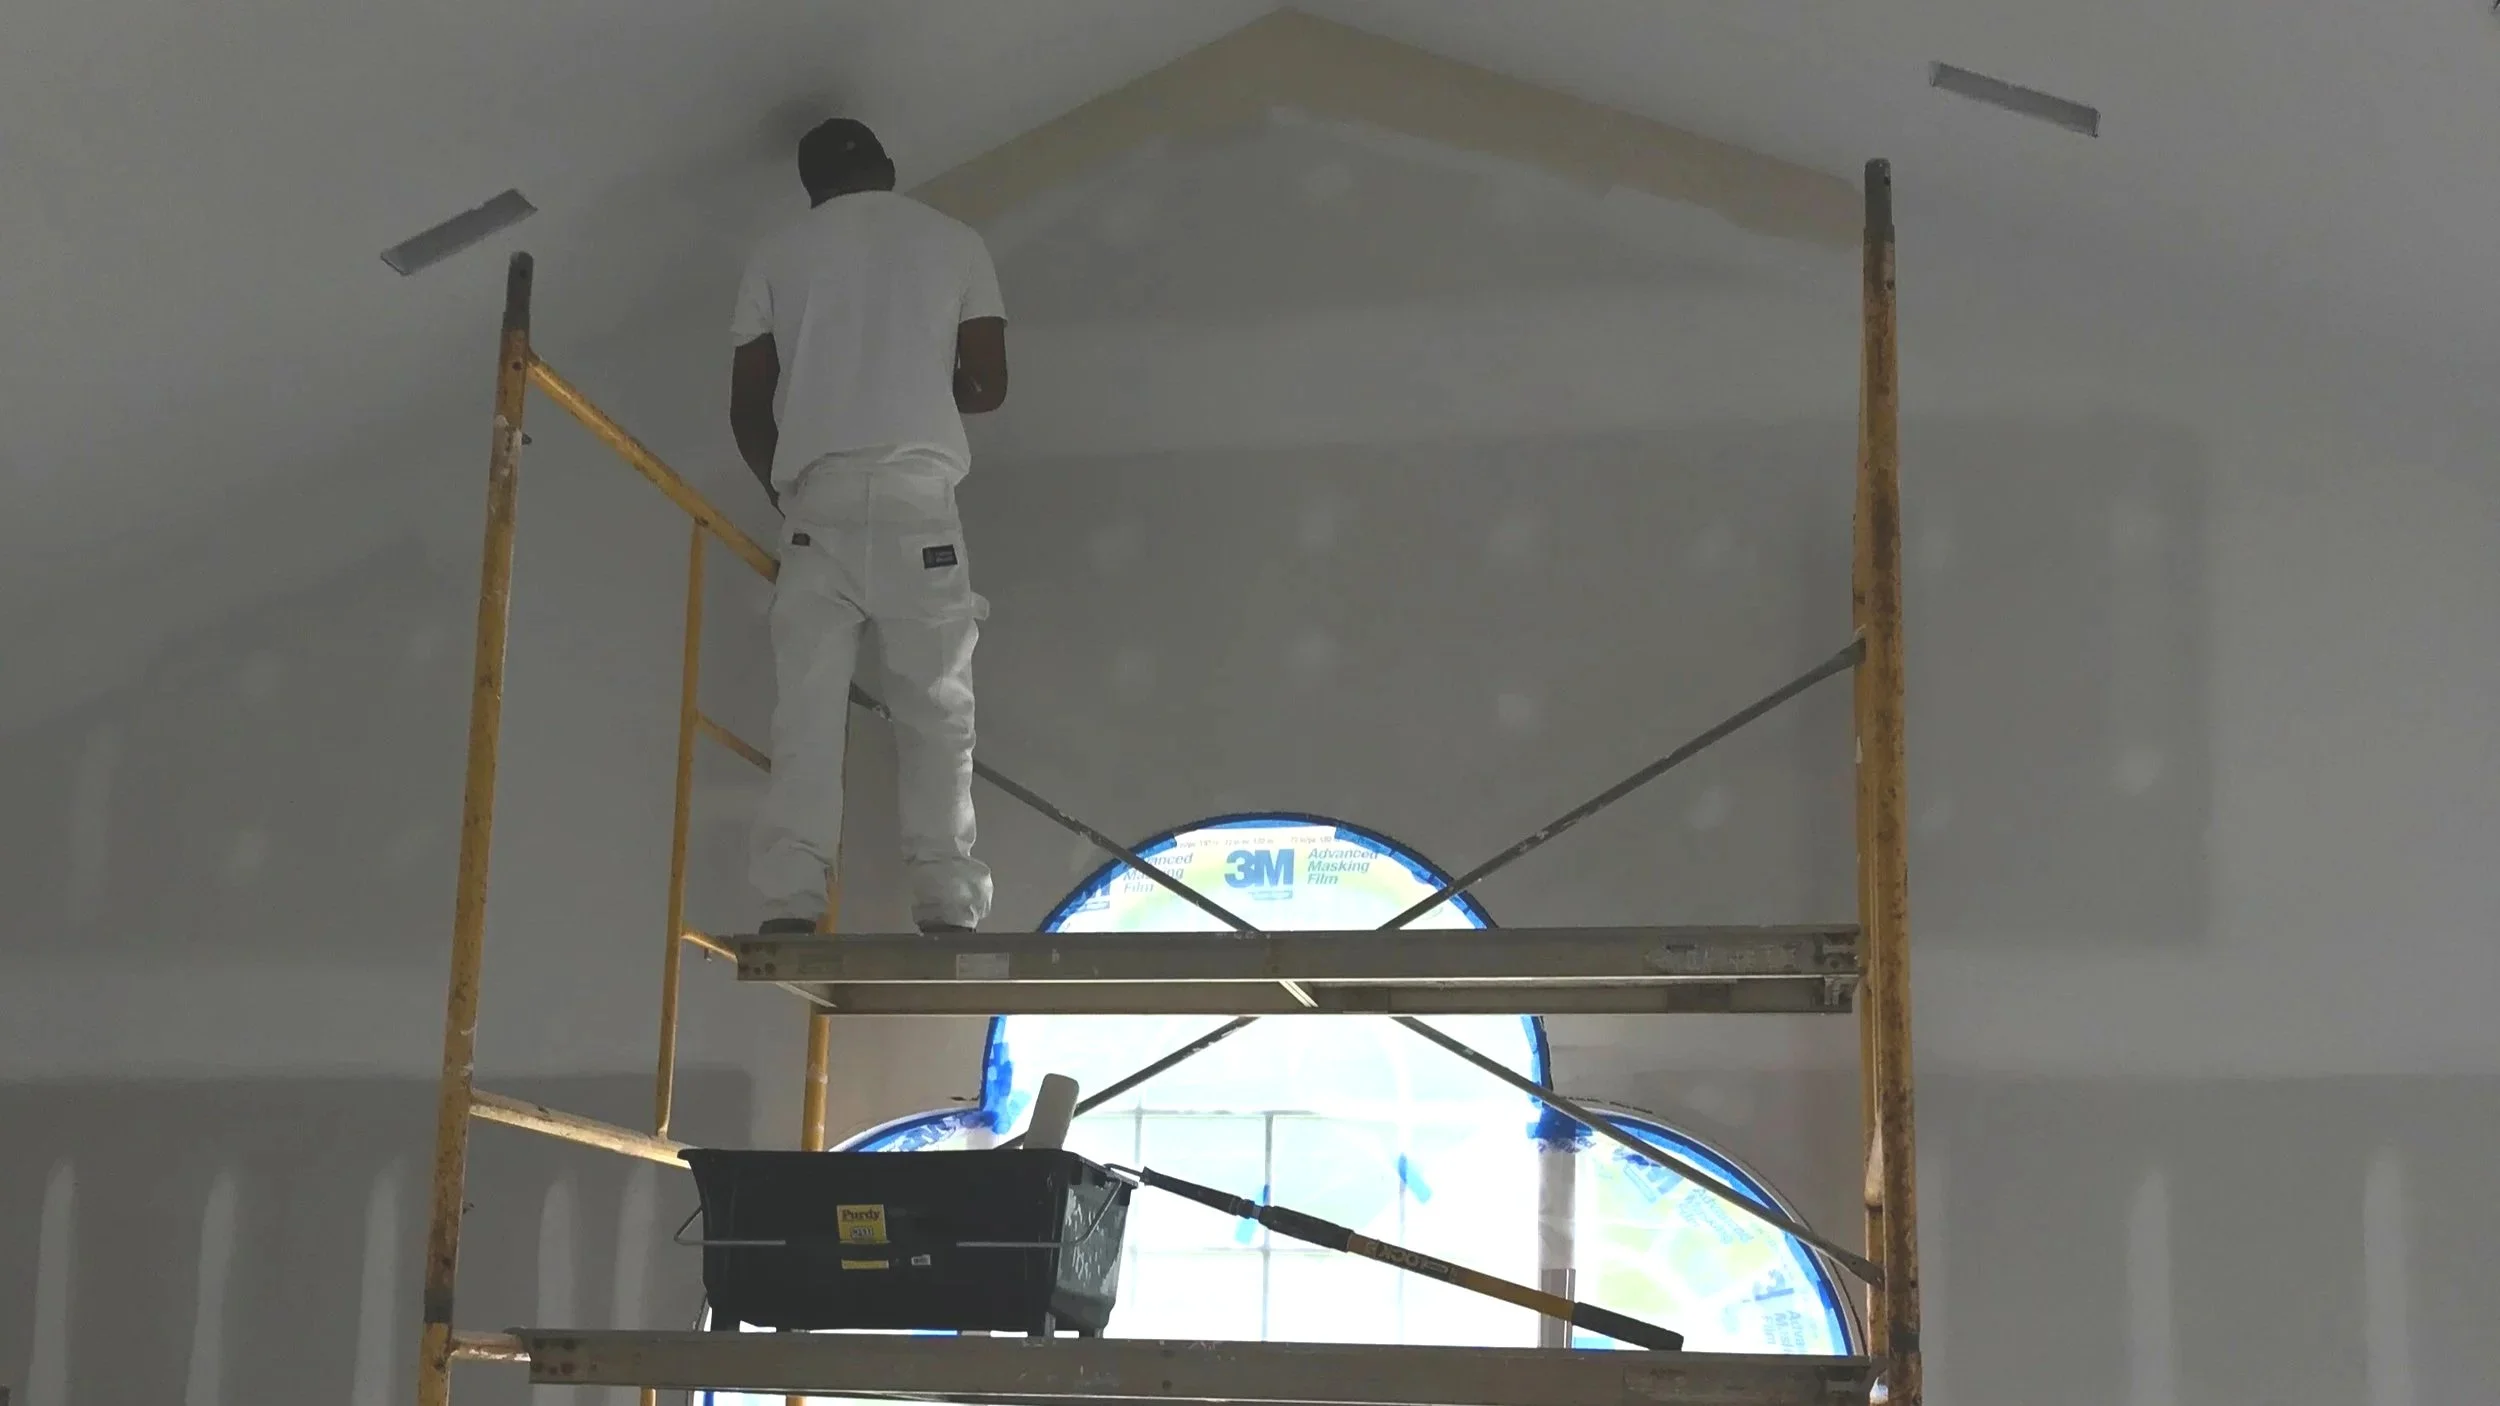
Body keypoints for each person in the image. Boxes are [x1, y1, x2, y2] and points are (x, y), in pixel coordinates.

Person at [729, 117, 1008, 937]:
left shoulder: (776, 255)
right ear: (888, 167)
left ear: (810, 188)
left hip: (819, 510)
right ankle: (947, 900)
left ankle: (791, 899)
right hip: (922, 511)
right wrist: (918, 387)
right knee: (937, 712)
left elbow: (747, 409)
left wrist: (792, 500)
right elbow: (987, 386)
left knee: (807, 716)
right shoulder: (955, 243)